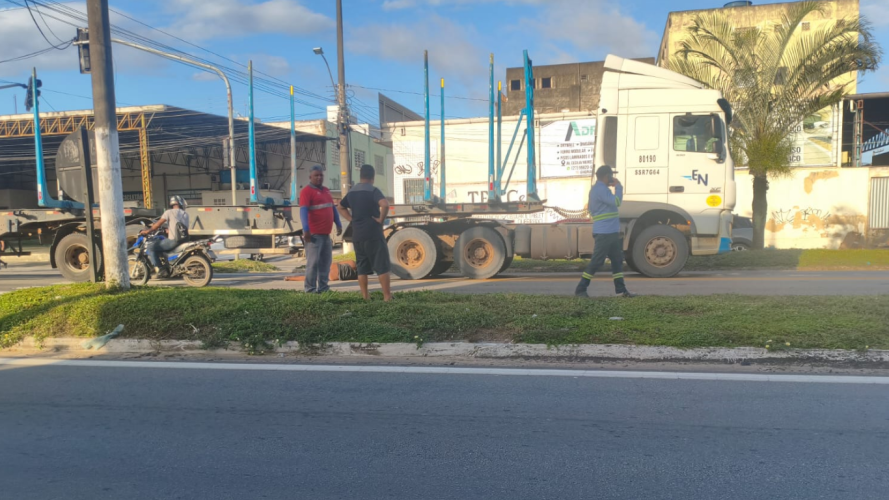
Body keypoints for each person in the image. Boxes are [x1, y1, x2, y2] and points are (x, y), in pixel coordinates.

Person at [575, 165, 636, 298]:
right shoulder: (601, 190)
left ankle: (621, 290)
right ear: (606, 176)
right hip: (605, 233)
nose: (613, 178)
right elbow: (617, 201)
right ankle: (580, 289)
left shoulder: (597, 190)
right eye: (611, 176)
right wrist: (618, 187)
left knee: (617, 260)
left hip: (610, 232)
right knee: (597, 261)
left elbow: (594, 210)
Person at [337, 164, 393, 302]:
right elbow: (385, 204)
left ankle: (365, 296)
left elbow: (340, 206)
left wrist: (351, 219)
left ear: (360, 176)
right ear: (373, 177)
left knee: (362, 267)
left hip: (358, 235)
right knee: (381, 265)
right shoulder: (373, 191)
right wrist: (381, 219)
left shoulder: (352, 192)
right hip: (373, 234)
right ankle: (387, 296)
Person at [299, 165, 343, 293]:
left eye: (321, 175)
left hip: (325, 234)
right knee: (313, 264)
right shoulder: (306, 192)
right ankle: (310, 289)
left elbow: (332, 208)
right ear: (310, 177)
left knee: (325, 263)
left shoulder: (326, 191)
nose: (319, 177)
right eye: (316, 175)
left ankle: (323, 288)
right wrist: (306, 230)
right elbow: (303, 211)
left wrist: (338, 223)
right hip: (313, 235)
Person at [141, 196, 190, 278]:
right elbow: (180, 227)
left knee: (151, 247)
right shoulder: (185, 214)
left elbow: (158, 224)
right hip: (184, 239)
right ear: (181, 202)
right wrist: (168, 230)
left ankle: (161, 270)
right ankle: (167, 266)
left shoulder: (169, 212)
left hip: (173, 240)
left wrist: (147, 231)